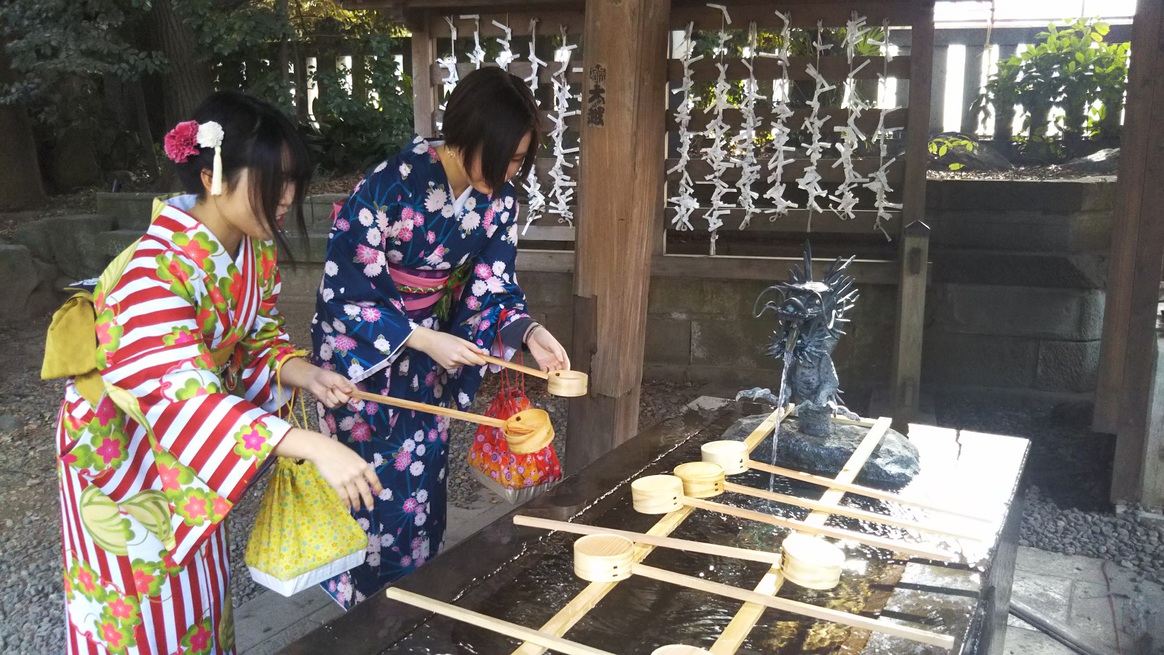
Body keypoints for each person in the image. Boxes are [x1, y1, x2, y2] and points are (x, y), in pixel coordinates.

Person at [51, 91, 380, 654]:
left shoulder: (251, 250)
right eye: (276, 181)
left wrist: (303, 373)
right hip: (119, 449)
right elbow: (182, 394)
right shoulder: (152, 271)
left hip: (185, 446)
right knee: (134, 601)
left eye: (294, 181)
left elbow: (256, 337)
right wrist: (309, 444)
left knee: (199, 585)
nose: (288, 199)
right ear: (212, 174)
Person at [312, 66, 570, 608]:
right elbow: (345, 295)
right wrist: (423, 339)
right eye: (500, 155)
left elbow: (491, 285)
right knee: (372, 489)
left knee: (421, 486)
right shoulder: (387, 186)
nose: (507, 171)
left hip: (430, 358)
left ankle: (415, 603)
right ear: (462, 135)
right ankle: (365, 614)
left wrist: (531, 332)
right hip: (363, 364)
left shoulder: (499, 201)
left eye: (520, 160)